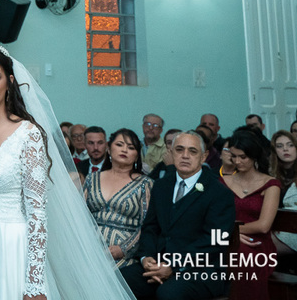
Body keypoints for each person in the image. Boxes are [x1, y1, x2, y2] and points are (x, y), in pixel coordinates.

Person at [0, 40, 137, 300]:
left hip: (10, 246)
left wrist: (34, 283)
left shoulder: (27, 135)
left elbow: (37, 215)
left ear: (9, 82)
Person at [120, 131, 235, 299]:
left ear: (204, 157)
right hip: (159, 263)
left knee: (169, 294)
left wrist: (173, 264)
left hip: (200, 270)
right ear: (171, 153)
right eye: (179, 150)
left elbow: (214, 241)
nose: (185, 156)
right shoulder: (161, 186)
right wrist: (147, 258)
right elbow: (150, 227)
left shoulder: (218, 193)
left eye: (192, 151)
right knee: (120, 280)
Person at [220, 127, 281, 300]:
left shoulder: (270, 184)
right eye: (234, 156)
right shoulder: (224, 181)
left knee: (242, 254)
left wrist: (234, 232)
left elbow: (263, 226)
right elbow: (212, 218)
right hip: (224, 239)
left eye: (243, 157)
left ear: (253, 156)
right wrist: (228, 235)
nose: (237, 161)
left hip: (257, 244)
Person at [84, 129, 152, 269]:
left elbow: (146, 225)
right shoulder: (92, 178)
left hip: (124, 256)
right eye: (120, 144)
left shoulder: (145, 183)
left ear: (137, 155)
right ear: (109, 149)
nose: (125, 150)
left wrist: (123, 249)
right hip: (88, 248)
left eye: (131, 147)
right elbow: (80, 216)